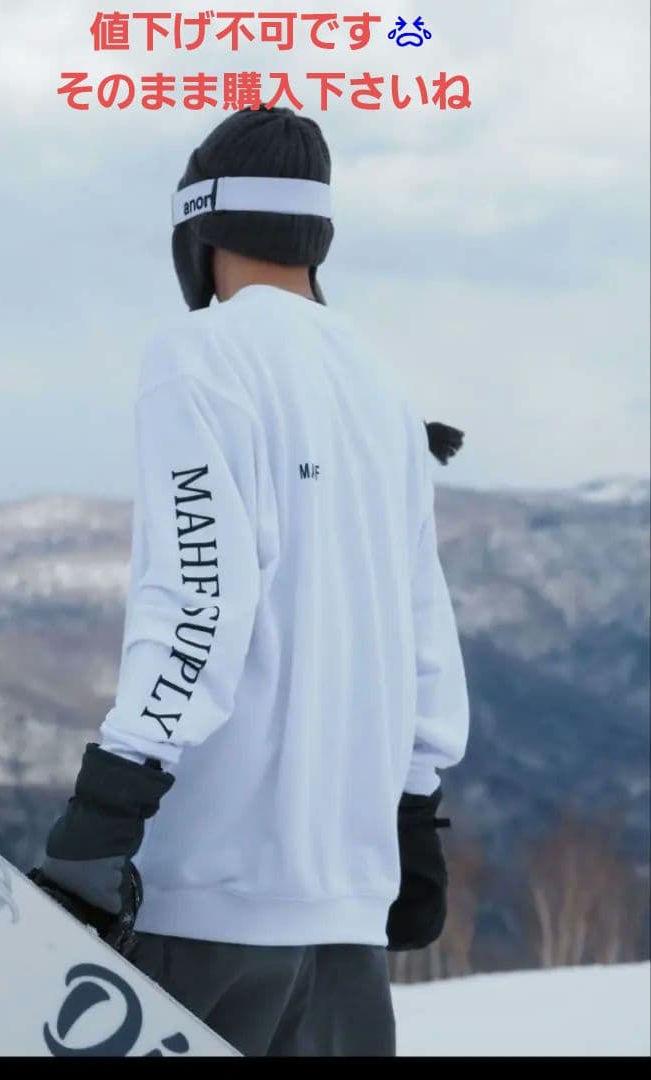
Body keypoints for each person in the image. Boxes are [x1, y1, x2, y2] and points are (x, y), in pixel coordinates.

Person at [29, 105, 469, 1057]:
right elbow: (424, 627)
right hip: (347, 913)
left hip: (210, 904)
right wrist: (413, 813)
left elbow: (200, 598)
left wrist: (106, 810)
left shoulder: (200, 358)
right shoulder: (381, 387)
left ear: (200, 229)